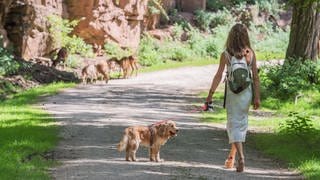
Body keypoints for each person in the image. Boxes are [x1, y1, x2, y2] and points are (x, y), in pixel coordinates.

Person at [205, 23, 260, 172]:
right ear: (245, 37)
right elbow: (255, 78)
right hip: (247, 93)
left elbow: (218, 75)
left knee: (233, 124)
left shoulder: (226, 54)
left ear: (230, 37)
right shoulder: (251, 54)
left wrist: (210, 94)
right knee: (241, 123)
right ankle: (231, 158)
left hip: (232, 92)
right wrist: (257, 97)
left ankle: (240, 157)